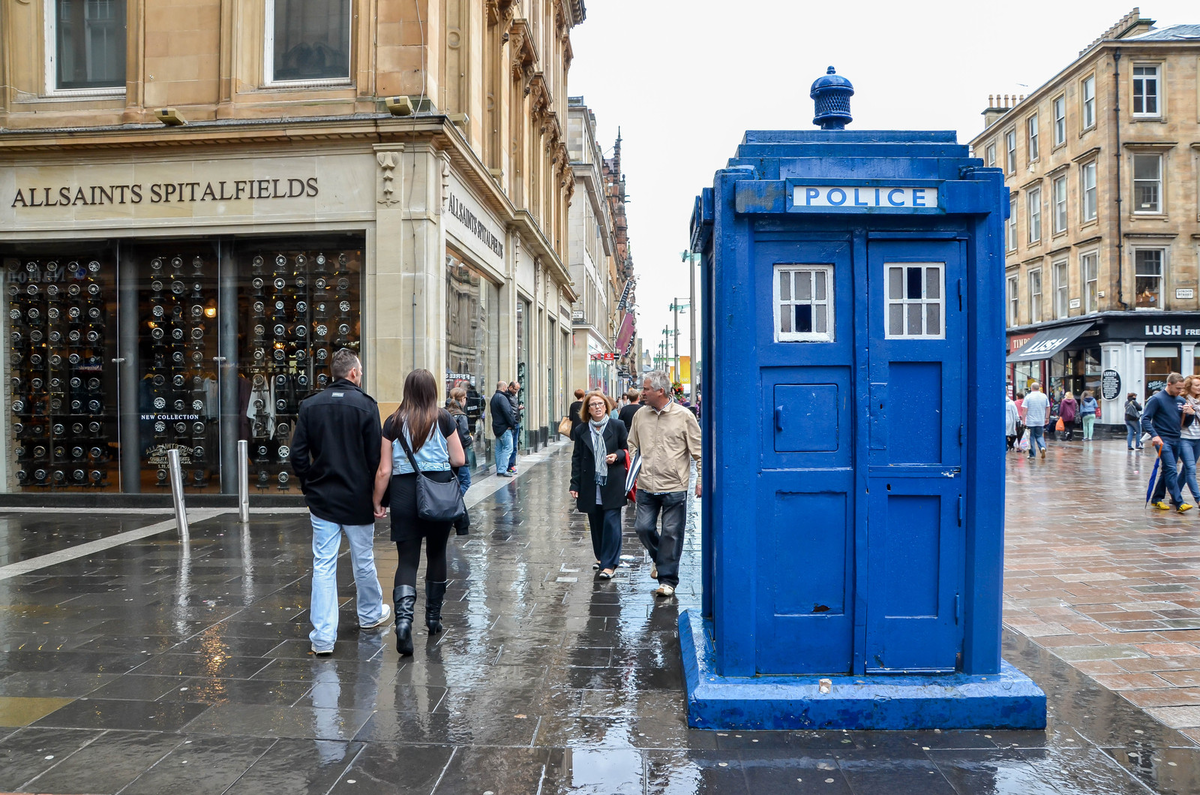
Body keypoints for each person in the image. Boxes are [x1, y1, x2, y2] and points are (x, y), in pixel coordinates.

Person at [288, 349, 390, 656]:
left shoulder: (310, 405)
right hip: (357, 497)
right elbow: (376, 458)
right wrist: (379, 498)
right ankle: (370, 614)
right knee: (363, 561)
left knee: (323, 564)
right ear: (355, 373)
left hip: (323, 498)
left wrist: (309, 484)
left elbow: (297, 455)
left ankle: (322, 637)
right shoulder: (366, 405)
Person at [373, 369, 467, 655]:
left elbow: (384, 470)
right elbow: (459, 458)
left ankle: (403, 623)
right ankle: (433, 618)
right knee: (437, 554)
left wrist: (377, 500)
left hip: (403, 492)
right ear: (433, 390)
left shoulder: (392, 422)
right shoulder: (444, 418)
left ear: (407, 390)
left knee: (407, 560)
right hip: (437, 490)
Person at [628, 369, 702, 598]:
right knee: (643, 528)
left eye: (647, 389)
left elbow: (698, 451)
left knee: (672, 533)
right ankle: (660, 559)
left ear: (661, 391)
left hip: (674, 486)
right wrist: (636, 472)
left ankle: (668, 580)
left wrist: (700, 479)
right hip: (646, 485)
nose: (643, 393)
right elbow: (632, 444)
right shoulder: (640, 415)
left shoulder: (684, 416)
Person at [570, 390, 629, 579]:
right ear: (587, 409)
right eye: (593, 404)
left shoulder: (617, 425)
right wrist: (574, 484)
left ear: (606, 406)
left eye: (600, 404)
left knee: (611, 523)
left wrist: (617, 456)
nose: (597, 407)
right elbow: (577, 458)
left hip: (612, 481)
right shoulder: (581, 430)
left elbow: (626, 449)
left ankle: (609, 564)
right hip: (590, 482)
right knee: (595, 524)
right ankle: (601, 557)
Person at [1142, 373, 1191, 513]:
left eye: (1182, 389)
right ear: (1169, 384)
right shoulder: (1156, 399)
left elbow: (1185, 424)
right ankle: (1179, 502)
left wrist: (1190, 414)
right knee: (1171, 469)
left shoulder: (1180, 400)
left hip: (1176, 438)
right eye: (1177, 388)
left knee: (1167, 470)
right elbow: (1145, 419)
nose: (1180, 391)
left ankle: (1157, 499)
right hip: (1163, 440)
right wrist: (1155, 435)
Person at [446, 387, 473, 534]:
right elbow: (464, 438)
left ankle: (451, 504)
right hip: (459, 455)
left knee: (454, 483)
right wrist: (471, 439)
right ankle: (451, 506)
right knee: (465, 481)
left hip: (447, 457)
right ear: (462, 399)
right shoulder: (461, 416)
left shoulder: (445, 413)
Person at [1178, 376, 1200, 507]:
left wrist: (1194, 411)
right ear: (1189, 386)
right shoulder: (1182, 400)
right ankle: (1198, 498)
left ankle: (1175, 492)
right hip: (1184, 438)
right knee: (1191, 468)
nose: (1199, 387)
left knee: (1186, 469)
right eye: (1196, 385)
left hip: (1198, 439)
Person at [490, 381, 517, 477]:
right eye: (506, 388)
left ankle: (499, 469)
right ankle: (502, 469)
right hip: (504, 427)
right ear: (504, 387)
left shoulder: (494, 398)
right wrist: (512, 424)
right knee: (508, 448)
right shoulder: (502, 398)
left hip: (497, 427)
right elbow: (508, 412)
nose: (506, 390)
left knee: (499, 449)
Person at [1021, 382, 1050, 460]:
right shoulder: (1044, 396)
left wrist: (1023, 419)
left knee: (1031, 438)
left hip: (1030, 421)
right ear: (1039, 388)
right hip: (1040, 420)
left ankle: (1032, 455)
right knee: (1039, 436)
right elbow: (1048, 407)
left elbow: (1025, 409)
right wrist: (1047, 418)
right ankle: (1042, 447)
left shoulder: (1028, 397)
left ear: (1031, 388)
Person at [506, 380, 524, 475]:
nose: (516, 391)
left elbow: (513, 408)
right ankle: (509, 466)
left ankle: (511, 464)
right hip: (512, 423)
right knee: (511, 446)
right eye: (515, 389)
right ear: (510, 387)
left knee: (514, 446)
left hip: (516, 422)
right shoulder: (507, 396)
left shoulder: (513, 396)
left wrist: (518, 408)